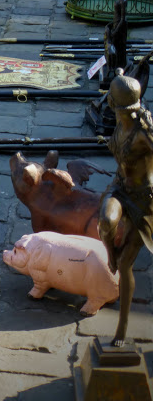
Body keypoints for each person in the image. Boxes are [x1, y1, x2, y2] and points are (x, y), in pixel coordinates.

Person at [98, 71, 153, 347]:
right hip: (119, 187)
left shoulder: (143, 133)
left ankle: (122, 328)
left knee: (125, 265)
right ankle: (110, 254)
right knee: (105, 221)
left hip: (143, 200)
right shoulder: (119, 125)